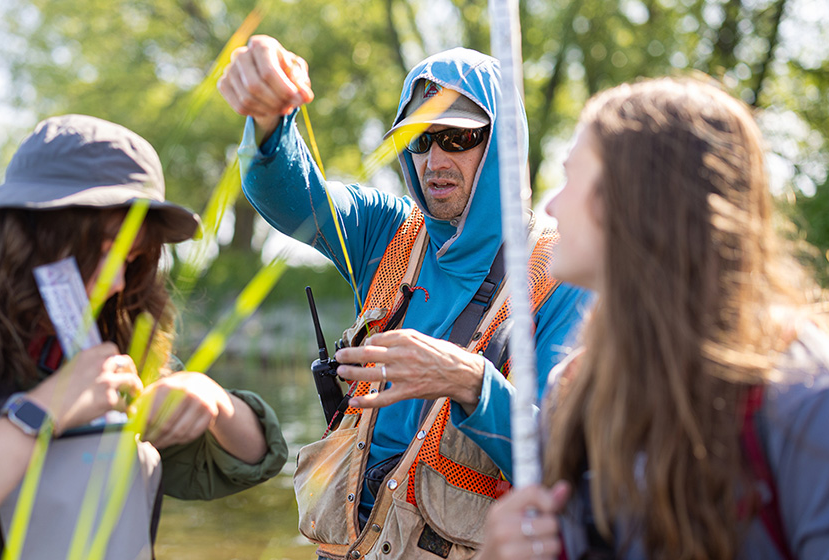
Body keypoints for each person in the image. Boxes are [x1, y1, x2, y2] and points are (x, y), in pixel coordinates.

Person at [0, 114, 288, 559]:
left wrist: (212, 401)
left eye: (131, 259)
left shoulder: (104, 348)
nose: (118, 281)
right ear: (23, 242)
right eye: (102, 251)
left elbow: (251, 458)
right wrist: (45, 410)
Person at [218, 36, 592, 559]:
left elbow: (570, 461)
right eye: (418, 140)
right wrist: (267, 121)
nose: (434, 159)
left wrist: (471, 383)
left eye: (456, 138)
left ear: (503, 142)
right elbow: (288, 193)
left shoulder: (563, 278)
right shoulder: (386, 231)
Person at [477, 78, 829, 559]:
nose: (551, 205)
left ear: (632, 198)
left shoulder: (804, 397)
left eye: (570, 179)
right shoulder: (575, 389)